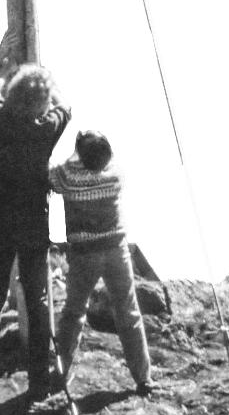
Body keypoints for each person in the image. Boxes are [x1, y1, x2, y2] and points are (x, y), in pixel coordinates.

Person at [0, 63, 71, 400]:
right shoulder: (46, 128)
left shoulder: (0, 117)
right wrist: (51, 84)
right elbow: (65, 106)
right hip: (34, 224)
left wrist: (6, 73)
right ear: (42, 103)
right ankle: (39, 381)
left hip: (1, 222)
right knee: (36, 301)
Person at [50, 130, 153, 394]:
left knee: (74, 312)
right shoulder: (115, 175)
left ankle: (60, 371)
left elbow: (52, 174)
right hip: (117, 250)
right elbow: (103, 163)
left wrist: (75, 152)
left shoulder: (69, 177)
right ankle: (143, 377)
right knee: (128, 312)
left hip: (85, 253)